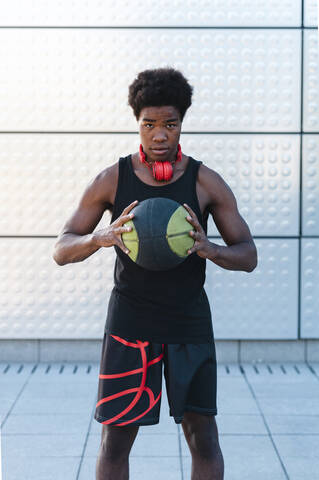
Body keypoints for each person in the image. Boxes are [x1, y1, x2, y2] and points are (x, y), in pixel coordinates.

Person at [53, 67, 257, 480]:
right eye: (149, 124)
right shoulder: (112, 179)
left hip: (189, 323)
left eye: (170, 124)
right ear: (137, 125)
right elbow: (62, 248)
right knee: (116, 440)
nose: (160, 135)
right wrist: (100, 237)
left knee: (204, 438)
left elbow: (248, 254)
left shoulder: (205, 183)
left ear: (182, 124)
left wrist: (210, 248)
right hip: (131, 322)